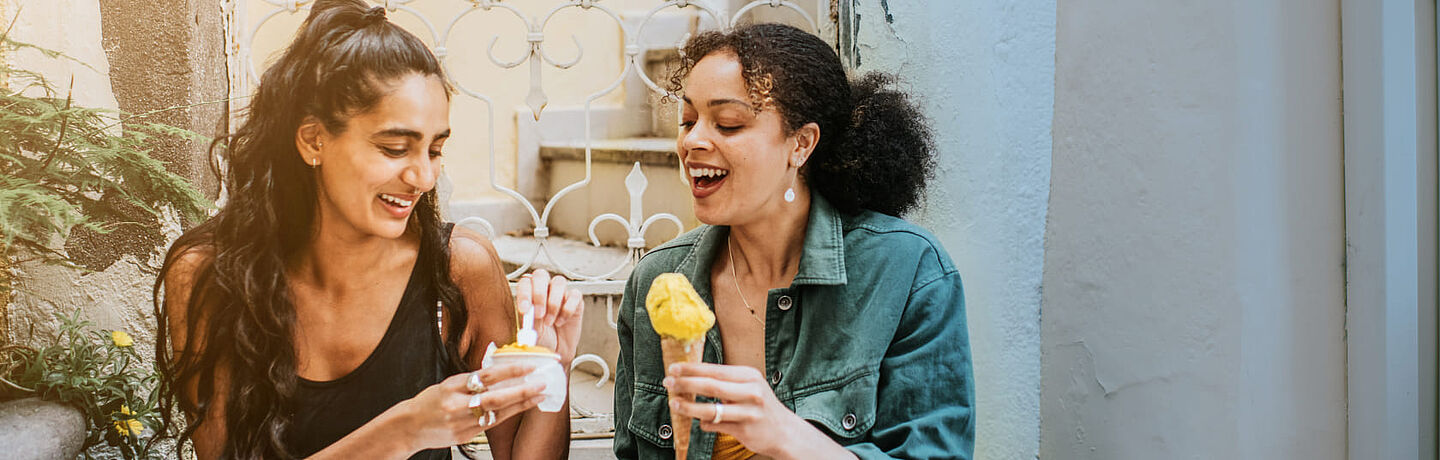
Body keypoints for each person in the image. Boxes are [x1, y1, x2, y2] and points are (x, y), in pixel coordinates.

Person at [152, 1, 583, 458]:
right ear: (314, 140)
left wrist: (553, 366)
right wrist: (405, 430)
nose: (423, 177)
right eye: (395, 148)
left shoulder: (460, 268)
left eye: (434, 150)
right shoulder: (209, 274)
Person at [614, 23, 975, 459]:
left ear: (801, 144)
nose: (692, 141)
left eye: (727, 123)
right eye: (688, 120)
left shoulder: (907, 270)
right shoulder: (657, 281)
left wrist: (787, 437)